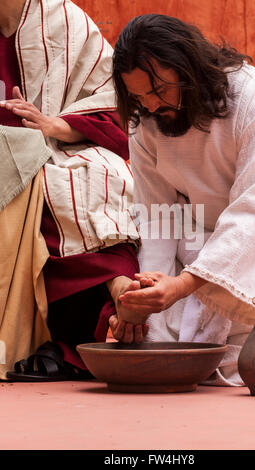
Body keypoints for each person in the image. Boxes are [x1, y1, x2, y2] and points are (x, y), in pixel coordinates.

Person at [110, 14, 255, 385]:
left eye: (160, 90)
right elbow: (157, 216)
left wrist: (182, 286)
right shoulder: (145, 121)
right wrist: (145, 295)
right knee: (161, 340)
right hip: (203, 245)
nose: (150, 106)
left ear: (189, 69)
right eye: (138, 96)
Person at [0, 0, 150, 381]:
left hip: (61, 145)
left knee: (88, 183)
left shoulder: (63, 18)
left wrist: (55, 126)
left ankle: (119, 296)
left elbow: (116, 103)